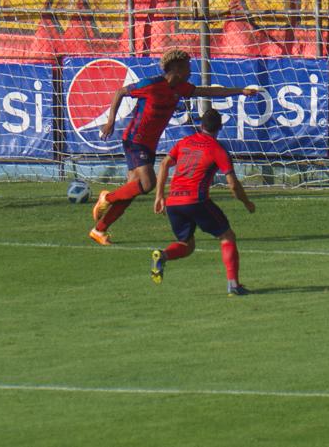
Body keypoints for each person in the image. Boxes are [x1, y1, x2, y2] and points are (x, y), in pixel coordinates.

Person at [88, 48, 257, 245]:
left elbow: (208, 91)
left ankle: (99, 230)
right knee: (148, 183)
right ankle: (107, 197)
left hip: (149, 145)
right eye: (187, 67)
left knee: (134, 189)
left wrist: (240, 91)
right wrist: (110, 121)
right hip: (135, 140)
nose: (190, 71)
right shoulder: (151, 85)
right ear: (176, 69)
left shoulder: (180, 88)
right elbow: (120, 92)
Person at [151, 108, 256, 296]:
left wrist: (159, 195)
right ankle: (233, 285)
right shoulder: (218, 149)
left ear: (201, 125)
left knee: (186, 245)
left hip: (174, 202)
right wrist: (247, 203)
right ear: (220, 127)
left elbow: (165, 163)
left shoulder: (184, 142)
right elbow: (232, 184)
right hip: (195, 200)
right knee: (227, 236)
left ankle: (163, 255)